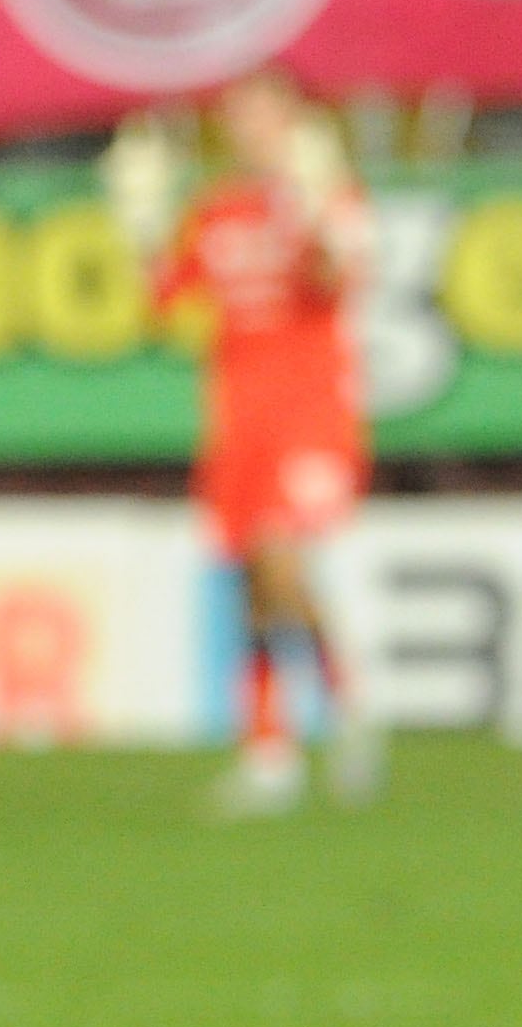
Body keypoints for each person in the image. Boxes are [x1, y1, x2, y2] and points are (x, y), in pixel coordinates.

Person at [132, 72, 384, 815]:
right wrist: (142, 223)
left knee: (278, 558)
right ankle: (301, 732)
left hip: (311, 414)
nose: (252, 130)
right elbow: (165, 300)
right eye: (240, 118)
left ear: (296, 120)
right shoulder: (219, 211)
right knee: (253, 580)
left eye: (265, 115)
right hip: (239, 418)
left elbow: (339, 279)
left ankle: (294, 741)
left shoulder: (329, 195)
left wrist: (315, 211)